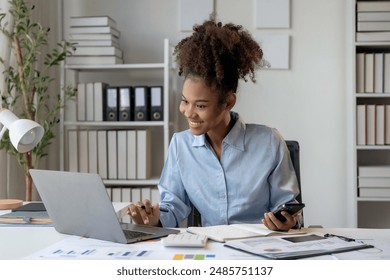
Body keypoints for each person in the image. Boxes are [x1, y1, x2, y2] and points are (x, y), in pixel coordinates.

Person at [128, 16, 301, 231]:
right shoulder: (180, 145)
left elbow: (286, 205)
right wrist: (152, 218)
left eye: (200, 106)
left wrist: (285, 220)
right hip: (211, 249)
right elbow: (172, 208)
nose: (188, 112)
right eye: (184, 101)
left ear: (228, 101)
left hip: (260, 246)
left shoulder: (268, 141)